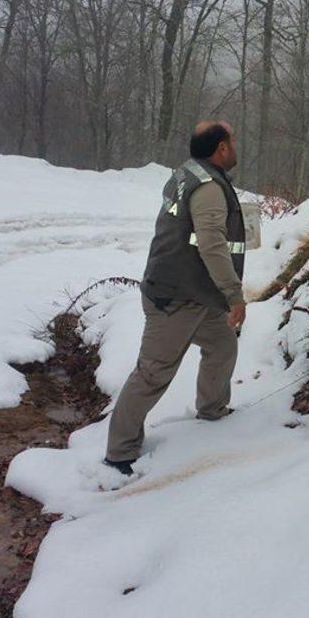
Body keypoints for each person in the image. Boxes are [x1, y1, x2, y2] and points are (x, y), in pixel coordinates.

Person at [104, 120, 247, 476]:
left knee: (223, 344)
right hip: (175, 299)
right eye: (233, 140)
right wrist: (234, 295)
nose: (236, 146)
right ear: (222, 149)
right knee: (153, 373)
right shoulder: (209, 187)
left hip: (196, 292)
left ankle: (212, 409)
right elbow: (212, 245)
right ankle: (119, 453)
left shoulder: (189, 173)